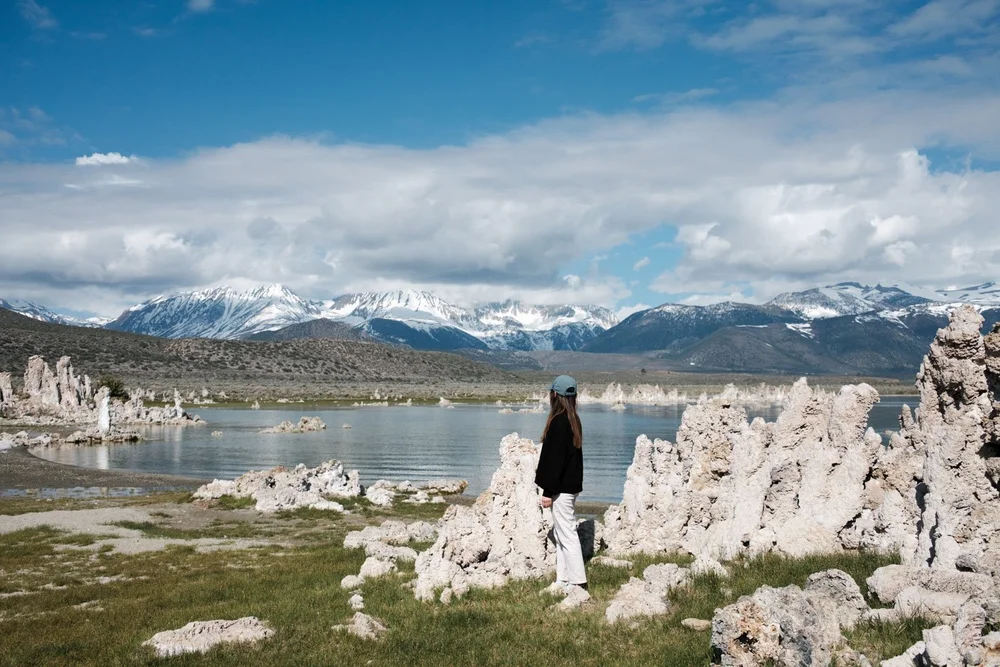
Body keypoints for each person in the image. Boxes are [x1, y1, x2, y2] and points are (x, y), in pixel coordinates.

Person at [534, 374, 586, 591]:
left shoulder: (558, 422)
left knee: (567, 535)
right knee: (562, 533)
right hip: (570, 487)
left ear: (554, 395)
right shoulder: (573, 420)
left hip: (561, 489)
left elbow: (554, 461)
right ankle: (562, 580)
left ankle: (578, 584)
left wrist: (547, 491)